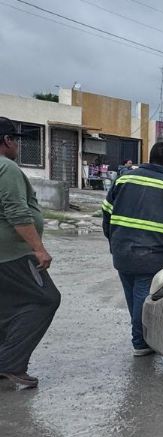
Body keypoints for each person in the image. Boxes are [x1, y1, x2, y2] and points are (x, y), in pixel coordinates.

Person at [101, 141, 163, 357]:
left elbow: (106, 213)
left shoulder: (124, 179)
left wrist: (113, 239)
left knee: (133, 296)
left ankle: (141, 339)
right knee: (143, 301)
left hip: (122, 251)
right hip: (153, 256)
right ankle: (140, 343)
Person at [0, 117, 60, 387]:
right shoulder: (6, 167)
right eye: (15, 141)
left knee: (7, 308)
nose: (17, 147)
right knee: (46, 299)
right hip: (12, 254)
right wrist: (38, 248)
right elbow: (16, 210)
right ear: (7, 141)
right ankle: (10, 364)